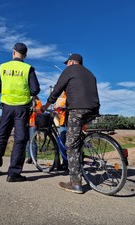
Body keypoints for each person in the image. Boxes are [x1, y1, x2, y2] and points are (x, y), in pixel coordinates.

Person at [41, 53, 100, 194]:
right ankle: (81, 161)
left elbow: (57, 89)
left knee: (71, 145)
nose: (66, 65)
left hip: (78, 110)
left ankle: (75, 183)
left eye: (67, 62)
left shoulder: (69, 70)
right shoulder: (91, 74)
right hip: (94, 110)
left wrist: (46, 104)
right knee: (77, 139)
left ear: (72, 62)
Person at [0, 43, 40, 182]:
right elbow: (35, 89)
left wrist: (8, 94)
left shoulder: (3, 67)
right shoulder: (28, 68)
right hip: (21, 109)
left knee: (2, 136)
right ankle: (14, 173)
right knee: (20, 139)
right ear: (25, 55)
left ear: (13, 53)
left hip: (6, 107)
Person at [53, 91, 68, 170]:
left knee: (64, 144)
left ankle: (68, 163)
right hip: (63, 121)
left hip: (69, 121)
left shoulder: (72, 92)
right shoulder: (63, 94)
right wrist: (57, 108)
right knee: (63, 143)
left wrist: (63, 106)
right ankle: (66, 163)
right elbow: (59, 108)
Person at [26, 96, 42, 164]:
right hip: (26, 123)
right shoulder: (26, 101)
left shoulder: (37, 102)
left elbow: (40, 111)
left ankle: (34, 158)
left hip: (33, 123)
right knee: (27, 141)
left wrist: (34, 109)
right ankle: (30, 157)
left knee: (32, 141)